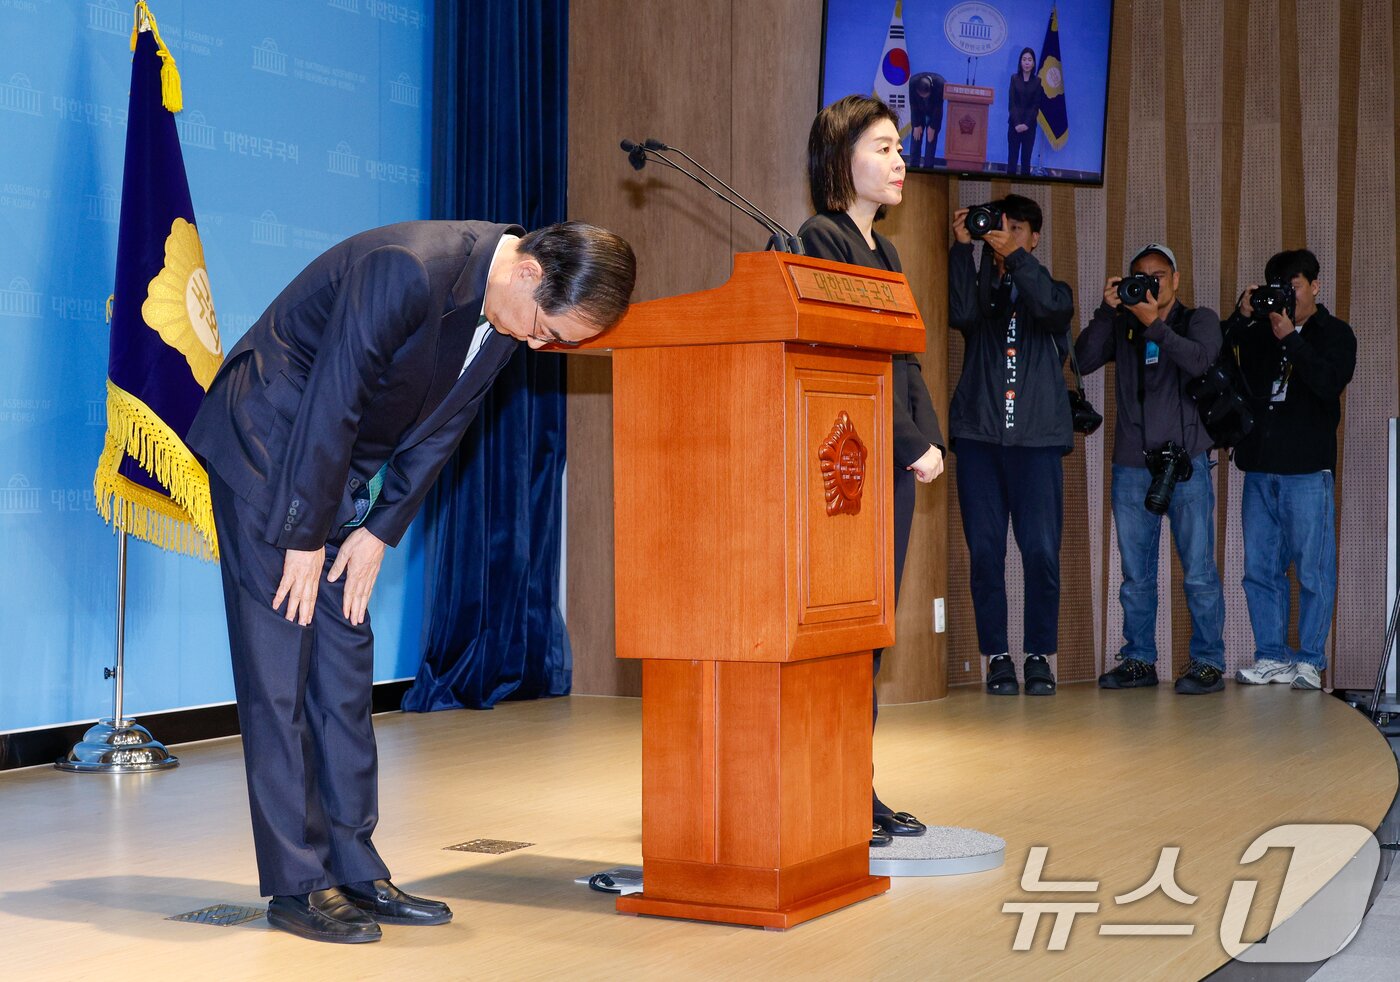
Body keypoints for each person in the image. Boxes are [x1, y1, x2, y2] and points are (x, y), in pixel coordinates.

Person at [187, 220, 637, 943]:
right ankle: (299, 882)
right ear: (527, 273)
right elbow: (334, 396)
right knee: (279, 668)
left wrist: (379, 530)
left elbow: (442, 425)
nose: (541, 346)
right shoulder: (407, 268)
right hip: (270, 445)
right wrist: (303, 533)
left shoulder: (502, 318)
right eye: (548, 329)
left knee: (342, 664)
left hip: (329, 470)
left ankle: (354, 866)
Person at [798, 95, 946, 849]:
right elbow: (849, 367)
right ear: (840, 158)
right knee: (848, 631)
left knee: (873, 634)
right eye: (883, 147)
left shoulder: (883, 250)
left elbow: (904, 357)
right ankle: (833, 784)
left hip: (883, 461)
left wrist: (929, 439)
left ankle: (858, 782)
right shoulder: (821, 238)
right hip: (848, 467)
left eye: (899, 148)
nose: (899, 160)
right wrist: (906, 443)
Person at [1077, 244, 1228, 694]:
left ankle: (1207, 661)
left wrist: (1154, 325)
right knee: (1135, 574)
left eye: (1159, 276)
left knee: (1199, 570)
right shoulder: (1122, 323)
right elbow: (1081, 360)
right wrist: (1107, 313)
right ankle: (1139, 658)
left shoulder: (1197, 318)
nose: (1150, 284)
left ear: (1175, 280)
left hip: (1187, 464)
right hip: (1131, 466)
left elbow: (1201, 360)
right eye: (1140, 277)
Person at [948, 194, 1074, 696]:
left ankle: (1038, 654)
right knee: (984, 552)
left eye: (1017, 229)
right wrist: (965, 252)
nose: (1006, 236)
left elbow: (1052, 310)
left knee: (1042, 552)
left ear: (1035, 237)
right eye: (999, 228)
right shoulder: (983, 286)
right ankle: (998, 656)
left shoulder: (1053, 290)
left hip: (1037, 442)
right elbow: (960, 313)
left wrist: (1015, 259)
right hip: (979, 439)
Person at [1227, 248, 1356, 690]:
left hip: (1307, 470)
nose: (1285, 297)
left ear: (1314, 286)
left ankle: (1309, 660)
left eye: (1293, 287)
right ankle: (1271, 657)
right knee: (1260, 570)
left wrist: (1291, 339)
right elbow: (1222, 361)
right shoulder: (1260, 332)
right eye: (1277, 289)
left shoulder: (1336, 333)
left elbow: (1328, 382)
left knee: (1313, 571)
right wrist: (1242, 318)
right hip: (1260, 467)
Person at [1007, 47, 1039, 176]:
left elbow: (1035, 106)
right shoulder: (1014, 79)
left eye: (1029, 60)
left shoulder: (1038, 81)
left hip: (1029, 127)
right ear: (1020, 62)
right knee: (1012, 160)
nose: (1026, 62)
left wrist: (1026, 124)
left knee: (1026, 161)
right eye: (1024, 59)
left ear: (1033, 63)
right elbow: (1012, 104)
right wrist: (1017, 124)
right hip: (1014, 126)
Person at [909, 71, 944, 166]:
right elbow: (913, 104)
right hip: (919, 112)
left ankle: (928, 168)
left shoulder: (940, 84)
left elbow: (938, 108)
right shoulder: (912, 83)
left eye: (925, 96)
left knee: (931, 139)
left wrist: (933, 126)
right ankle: (914, 167)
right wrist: (916, 124)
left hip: (933, 113)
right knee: (916, 136)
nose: (923, 97)